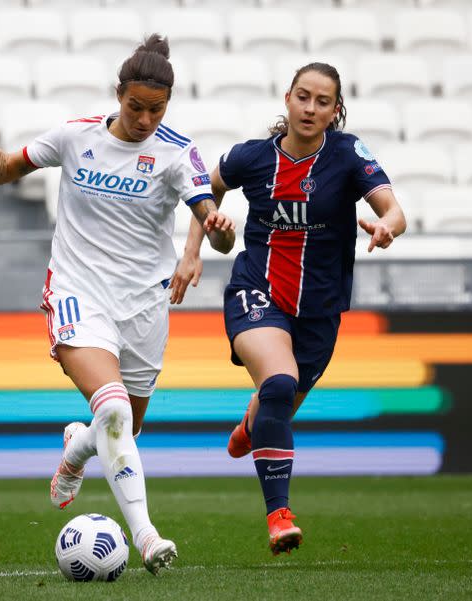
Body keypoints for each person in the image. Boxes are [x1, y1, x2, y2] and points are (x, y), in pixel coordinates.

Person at [0, 34, 235, 574]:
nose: (143, 119)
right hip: (77, 294)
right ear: (118, 95)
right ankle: (147, 537)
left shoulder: (177, 152)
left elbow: (215, 228)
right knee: (111, 408)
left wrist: (218, 229)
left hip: (144, 308)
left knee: (123, 430)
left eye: (156, 109)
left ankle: (77, 448)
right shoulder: (74, 137)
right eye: (135, 106)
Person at [183, 62, 406, 555]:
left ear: (335, 111)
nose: (310, 108)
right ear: (287, 99)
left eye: (322, 101)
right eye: (303, 97)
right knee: (279, 384)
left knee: (277, 404)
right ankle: (279, 516)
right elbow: (205, 186)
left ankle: (249, 427)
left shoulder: (348, 156)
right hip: (257, 290)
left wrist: (386, 225)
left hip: (320, 311)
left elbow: (393, 209)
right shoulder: (253, 158)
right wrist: (194, 247)